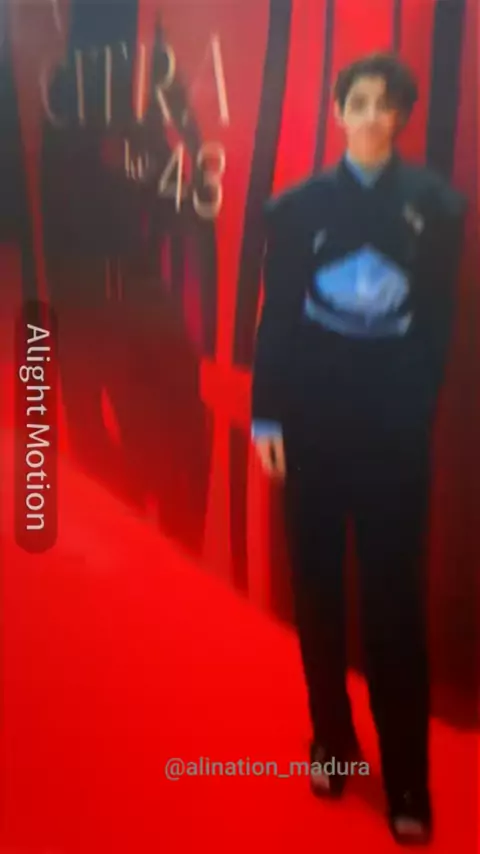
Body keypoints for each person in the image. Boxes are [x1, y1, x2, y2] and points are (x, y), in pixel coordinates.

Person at [251, 52, 466, 845]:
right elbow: (277, 319)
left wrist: (413, 411)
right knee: (315, 592)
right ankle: (332, 742)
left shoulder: (439, 206)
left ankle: (407, 776)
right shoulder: (294, 207)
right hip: (310, 425)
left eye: (387, 104)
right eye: (360, 101)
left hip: (393, 436)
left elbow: (438, 325)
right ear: (337, 110)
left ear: (403, 116)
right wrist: (267, 420)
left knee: (393, 604)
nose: (374, 116)